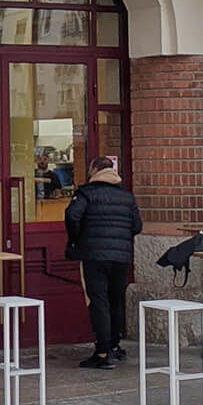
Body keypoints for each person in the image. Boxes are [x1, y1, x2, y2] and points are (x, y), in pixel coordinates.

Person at [64, 155, 143, 369]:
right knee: (115, 300)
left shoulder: (85, 193)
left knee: (98, 301)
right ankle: (115, 346)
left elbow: (72, 216)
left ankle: (102, 352)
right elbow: (137, 226)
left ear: (94, 170)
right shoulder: (127, 197)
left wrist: (77, 238)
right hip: (121, 257)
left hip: (94, 256)